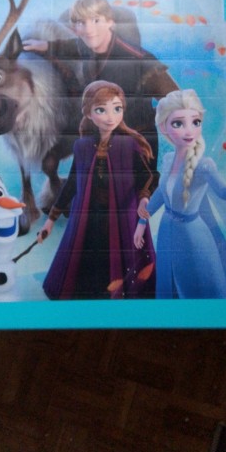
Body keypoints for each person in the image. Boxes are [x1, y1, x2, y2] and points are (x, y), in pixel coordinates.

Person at [23, 0, 178, 170]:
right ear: (75, 27)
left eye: (96, 20)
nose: (89, 29)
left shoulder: (139, 61)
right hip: (102, 143)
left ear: (110, 22)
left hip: (136, 148)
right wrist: (45, 46)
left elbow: (176, 101)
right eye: (81, 22)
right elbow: (71, 46)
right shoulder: (86, 46)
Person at [134, 89, 226, 299]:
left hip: (192, 235)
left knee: (200, 282)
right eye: (178, 123)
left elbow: (222, 191)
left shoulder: (205, 165)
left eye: (195, 122)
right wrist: (142, 223)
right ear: (164, 127)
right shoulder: (168, 160)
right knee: (170, 282)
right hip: (167, 230)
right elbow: (160, 195)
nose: (189, 131)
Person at [38, 80, 156, 300]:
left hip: (122, 216)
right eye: (101, 110)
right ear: (88, 113)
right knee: (89, 258)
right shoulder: (82, 146)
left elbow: (147, 177)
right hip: (89, 217)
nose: (111, 117)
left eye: (117, 109)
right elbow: (72, 184)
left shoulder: (128, 145)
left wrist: (144, 200)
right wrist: (50, 221)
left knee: (121, 258)